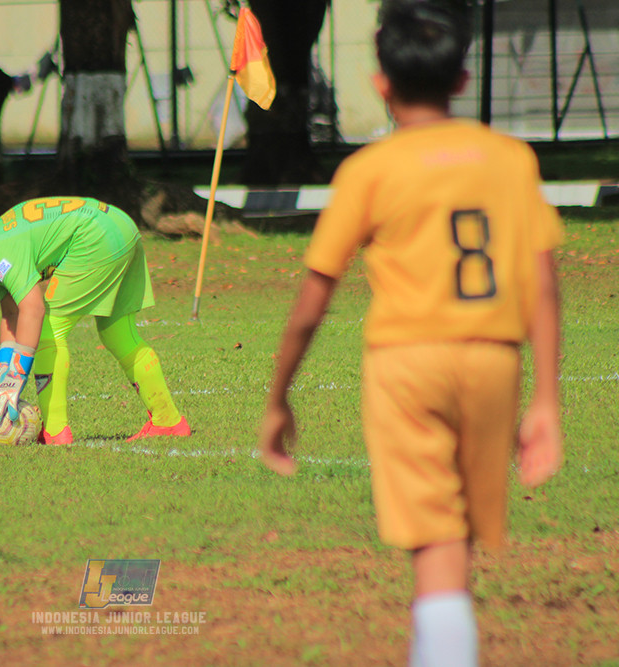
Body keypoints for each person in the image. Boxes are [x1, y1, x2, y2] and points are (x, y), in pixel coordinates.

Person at [257, 2, 563, 666]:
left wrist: (280, 396)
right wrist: (546, 402)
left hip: (406, 365)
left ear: (381, 84)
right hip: (493, 360)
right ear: (460, 81)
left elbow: (314, 300)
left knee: (437, 548)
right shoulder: (510, 159)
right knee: (458, 544)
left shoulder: (370, 171)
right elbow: (542, 284)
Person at [0, 196, 191, 445]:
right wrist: (3, 378)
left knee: (46, 333)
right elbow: (11, 316)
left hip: (96, 237)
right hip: (121, 226)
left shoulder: (0, 252)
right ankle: (168, 420)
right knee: (117, 332)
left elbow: (32, 308)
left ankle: (55, 432)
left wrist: (17, 376)